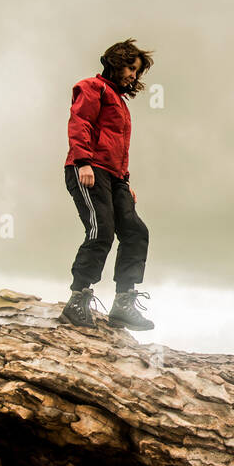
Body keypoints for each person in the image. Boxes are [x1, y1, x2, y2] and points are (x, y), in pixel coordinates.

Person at [60, 38, 155, 330]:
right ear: (115, 62)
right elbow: (80, 123)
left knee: (136, 231)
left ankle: (123, 304)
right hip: (88, 169)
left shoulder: (121, 103)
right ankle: (78, 299)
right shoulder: (92, 87)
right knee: (101, 229)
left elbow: (119, 146)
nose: (133, 75)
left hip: (115, 177)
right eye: (130, 67)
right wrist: (83, 161)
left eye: (137, 72)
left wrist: (124, 181)